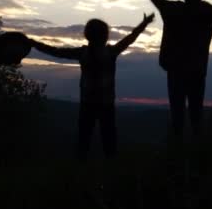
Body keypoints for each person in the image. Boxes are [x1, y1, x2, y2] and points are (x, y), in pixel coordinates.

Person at [24, 13, 154, 158]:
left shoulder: (83, 53)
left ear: (88, 35)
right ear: (105, 36)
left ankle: (81, 170)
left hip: (88, 103)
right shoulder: (110, 52)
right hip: (105, 104)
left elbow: (56, 52)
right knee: (108, 141)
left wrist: (35, 44)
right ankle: (110, 171)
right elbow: (130, 38)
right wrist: (144, 24)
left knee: (84, 140)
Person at [145, 0, 212, 137]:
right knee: (196, 116)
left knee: (177, 115)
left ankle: (177, 154)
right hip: (197, 71)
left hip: (176, 70)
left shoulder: (174, 9)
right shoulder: (207, 12)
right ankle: (197, 154)